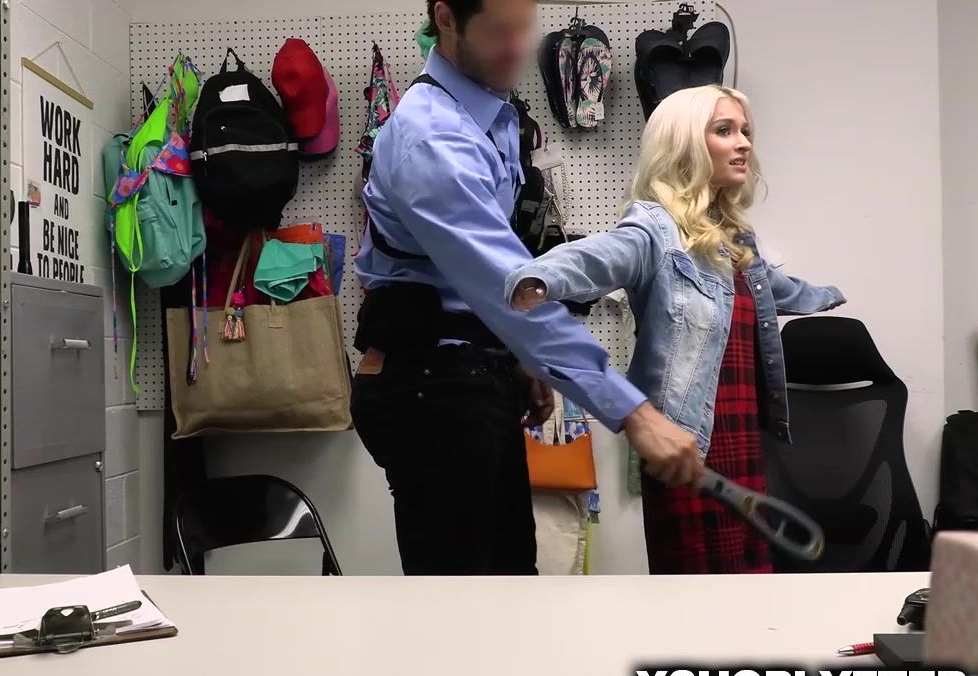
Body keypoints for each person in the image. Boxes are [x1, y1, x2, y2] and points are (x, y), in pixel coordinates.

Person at [352, 0, 704, 576]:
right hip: (429, 388)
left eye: (524, 28)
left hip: (467, 375)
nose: (518, 47)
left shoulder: (490, 116)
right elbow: (512, 288)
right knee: (459, 601)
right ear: (447, 19)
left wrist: (519, 358)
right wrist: (634, 414)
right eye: (499, 31)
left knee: (512, 584)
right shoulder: (432, 139)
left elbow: (488, 273)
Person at [507, 85, 846, 574]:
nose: (744, 143)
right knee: (700, 600)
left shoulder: (735, 239)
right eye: (725, 130)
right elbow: (594, 258)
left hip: (742, 436)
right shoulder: (654, 229)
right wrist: (536, 280)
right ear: (685, 143)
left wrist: (828, 294)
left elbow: (775, 290)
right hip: (688, 448)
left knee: (750, 593)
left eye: (745, 131)